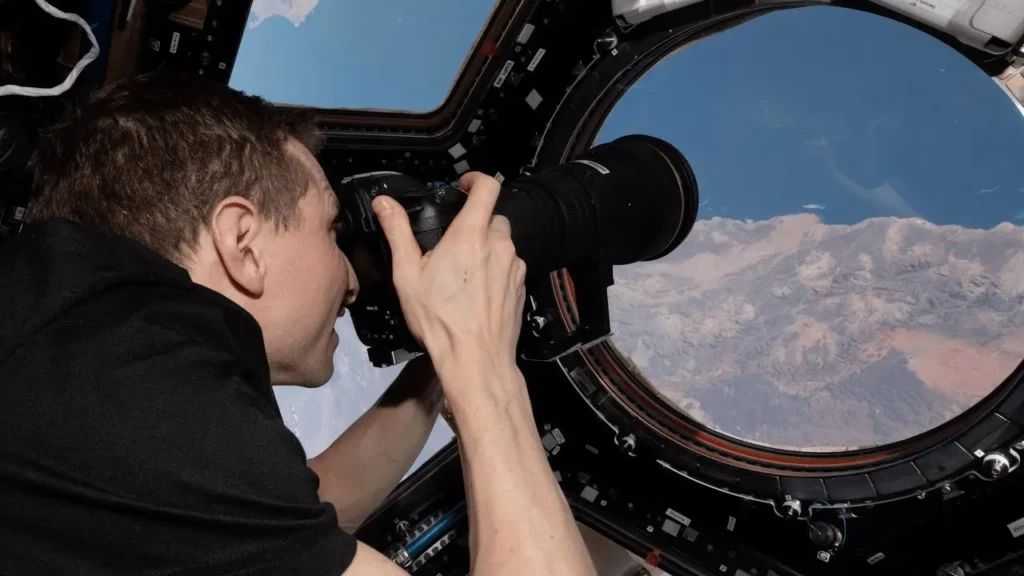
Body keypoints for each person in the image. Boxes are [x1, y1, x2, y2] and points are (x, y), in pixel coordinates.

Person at [0, 73, 596, 576]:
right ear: (243, 244)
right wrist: (481, 363)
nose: (353, 280)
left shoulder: (83, 351)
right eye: (331, 228)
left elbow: (298, 509)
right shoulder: (145, 407)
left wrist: (442, 360)